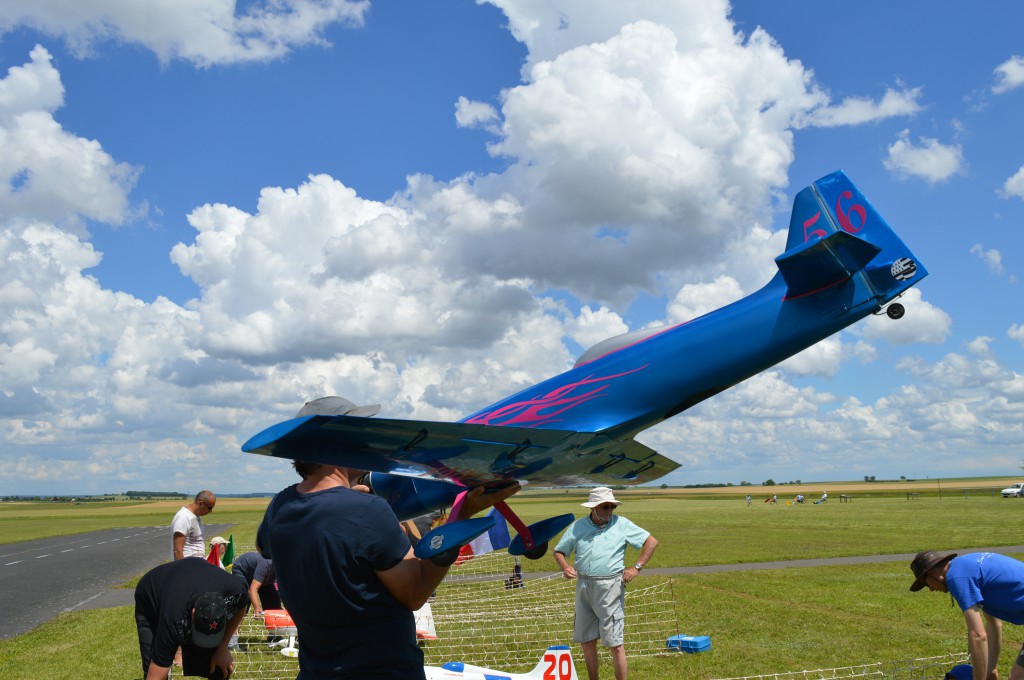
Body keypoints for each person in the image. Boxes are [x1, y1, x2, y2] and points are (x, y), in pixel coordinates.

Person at [256, 397, 520, 679]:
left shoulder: (279, 507)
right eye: (359, 432)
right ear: (336, 441)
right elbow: (414, 592)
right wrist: (459, 519)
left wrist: (343, 499)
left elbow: (264, 546)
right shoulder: (366, 511)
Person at [552, 487, 658, 680]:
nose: (610, 511)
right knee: (587, 641)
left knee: (615, 643)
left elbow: (651, 542)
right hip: (583, 586)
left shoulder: (622, 524)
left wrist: (636, 567)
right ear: (593, 508)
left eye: (612, 507)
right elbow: (559, 551)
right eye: (605, 506)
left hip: (611, 586)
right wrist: (565, 567)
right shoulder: (578, 526)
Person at [910, 550, 1024, 680]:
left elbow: (978, 635)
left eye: (926, 584)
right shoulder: (966, 567)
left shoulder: (956, 577)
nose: (930, 589)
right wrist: (990, 669)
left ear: (931, 573)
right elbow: (994, 624)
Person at [134, 556, 249, 679]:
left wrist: (222, 648)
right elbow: (157, 670)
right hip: (150, 595)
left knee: (219, 668)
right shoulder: (175, 618)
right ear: (193, 613)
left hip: (190, 578)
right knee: (153, 665)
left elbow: (242, 607)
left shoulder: (237, 591)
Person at [230, 551, 281, 618]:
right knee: (245, 598)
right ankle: (235, 626)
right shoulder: (266, 564)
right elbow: (253, 588)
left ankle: (274, 625)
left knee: (274, 601)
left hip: (261, 577)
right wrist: (257, 607)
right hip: (242, 570)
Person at [172, 490, 216, 560]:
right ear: (201, 503)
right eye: (209, 508)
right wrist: (182, 570)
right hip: (187, 565)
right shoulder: (183, 517)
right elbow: (177, 550)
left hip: (196, 564)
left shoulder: (196, 516)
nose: (210, 512)